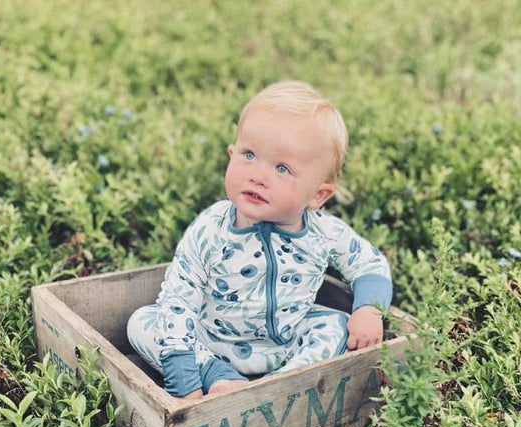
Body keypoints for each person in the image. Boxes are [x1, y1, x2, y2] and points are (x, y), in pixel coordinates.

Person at [127, 81, 392, 399]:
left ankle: (281, 385)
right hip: (211, 340)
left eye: (282, 168)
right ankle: (218, 375)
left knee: (336, 323)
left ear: (318, 195)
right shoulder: (211, 229)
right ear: (231, 155)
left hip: (285, 345)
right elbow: (179, 298)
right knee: (143, 322)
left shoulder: (324, 233)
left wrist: (368, 310)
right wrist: (184, 378)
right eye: (249, 155)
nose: (258, 175)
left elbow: (369, 262)